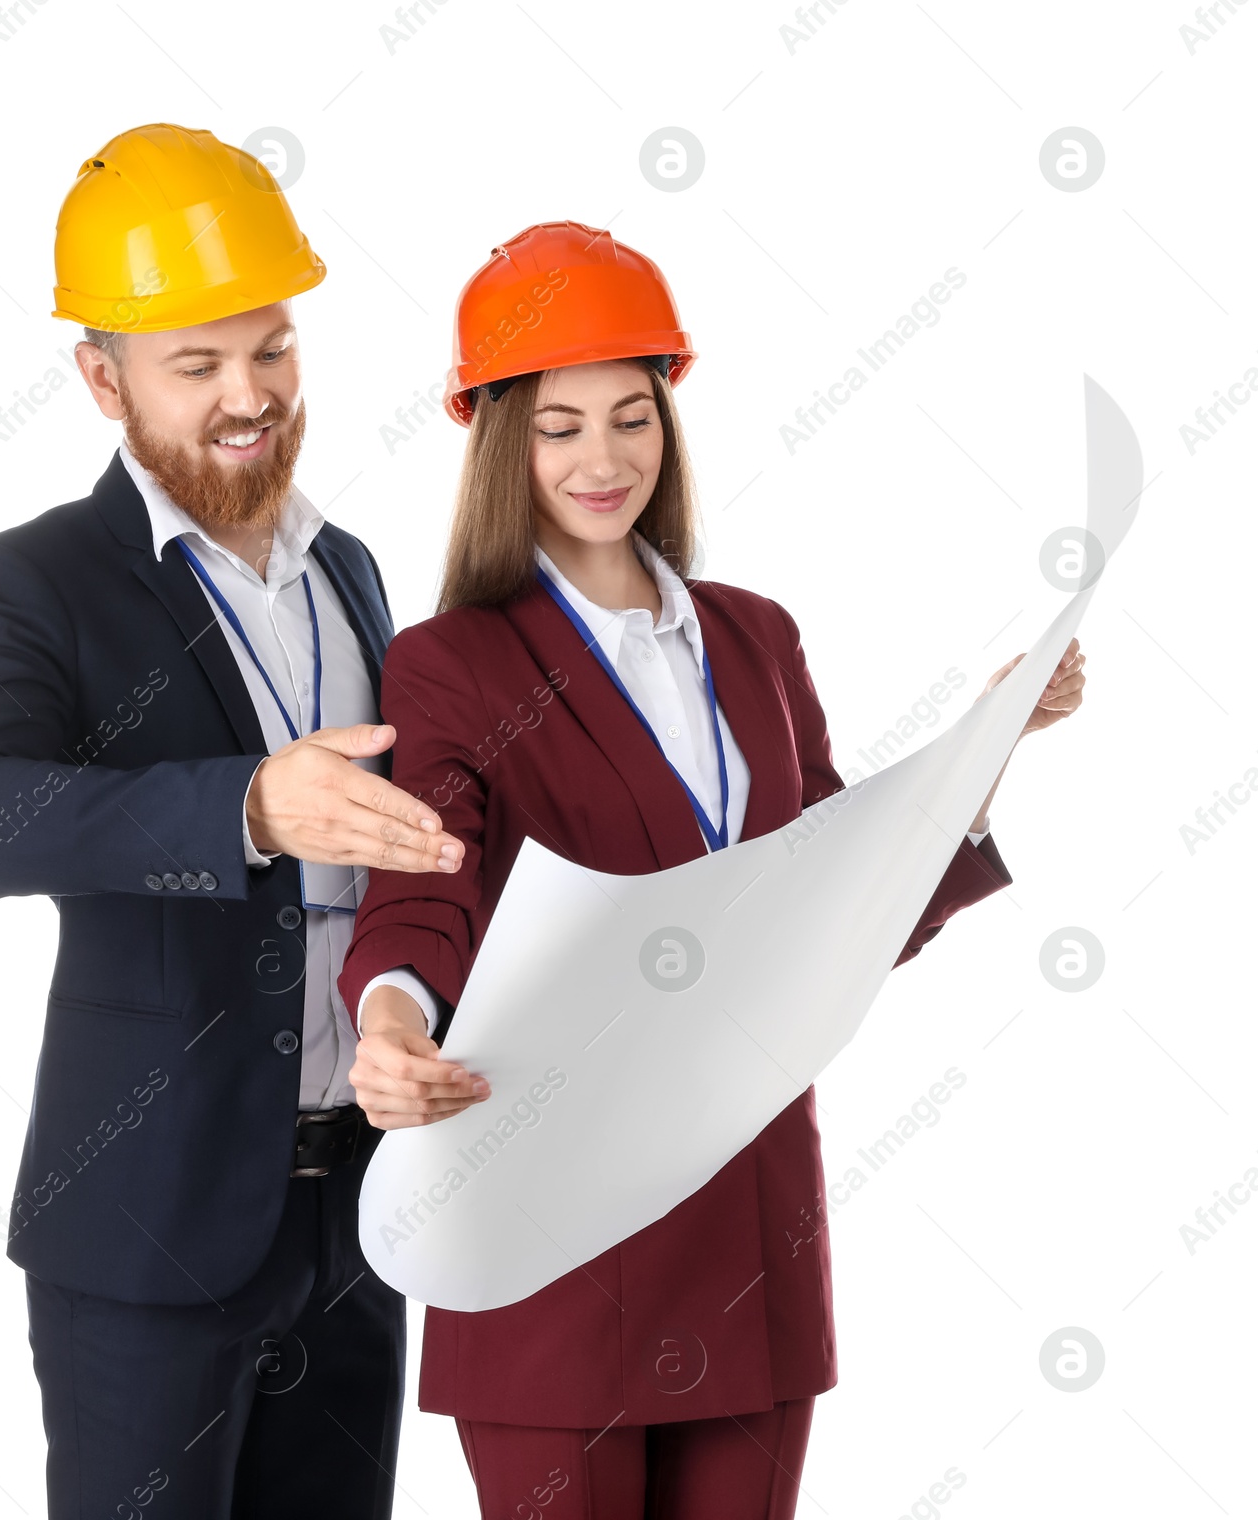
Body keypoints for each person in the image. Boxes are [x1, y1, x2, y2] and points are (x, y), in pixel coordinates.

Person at [338, 221, 1086, 1519]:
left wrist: (989, 747)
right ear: (500, 439)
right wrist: (391, 1019)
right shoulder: (453, 660)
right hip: (550, 1235)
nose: (602, 457)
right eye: (559, 424)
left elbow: (843, 900)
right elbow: (425, 881)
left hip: (747, 1228)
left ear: (667, 422)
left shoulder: (753, 636)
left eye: (630, 415)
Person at [0, 123, 465, 1519]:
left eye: (270, 350)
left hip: (358, 1206)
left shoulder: (351, 569)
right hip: (148, 1220)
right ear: (104, 378)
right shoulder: (32, 582)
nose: (248, 396)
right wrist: (247, 806)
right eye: (197, 363)